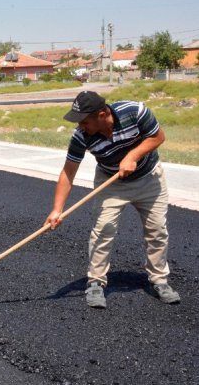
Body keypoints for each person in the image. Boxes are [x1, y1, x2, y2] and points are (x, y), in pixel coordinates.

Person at [45, 91, 180, 308]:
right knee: (103, 230)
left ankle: (159, 280)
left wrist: (132, 156)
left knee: (157, 230)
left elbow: (158, 137)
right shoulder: (81, 136)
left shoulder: (135, 111)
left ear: (101, 114)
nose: (80, 126)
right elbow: (68, 171)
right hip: (111, 183)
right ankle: (96, 282)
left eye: (84, 121)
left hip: (149, 179)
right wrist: (56, 209)